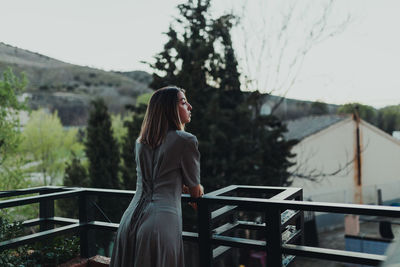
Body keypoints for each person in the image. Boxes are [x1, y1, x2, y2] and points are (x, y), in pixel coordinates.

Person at [110, 86, 204, 267]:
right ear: (170, 109)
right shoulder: (186, 140)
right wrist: (196, 189)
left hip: (129, 221)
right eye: (184, 102)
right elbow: (195, 190)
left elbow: (155, 178)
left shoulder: (141, 143)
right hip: (161, 225)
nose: (190, 107)